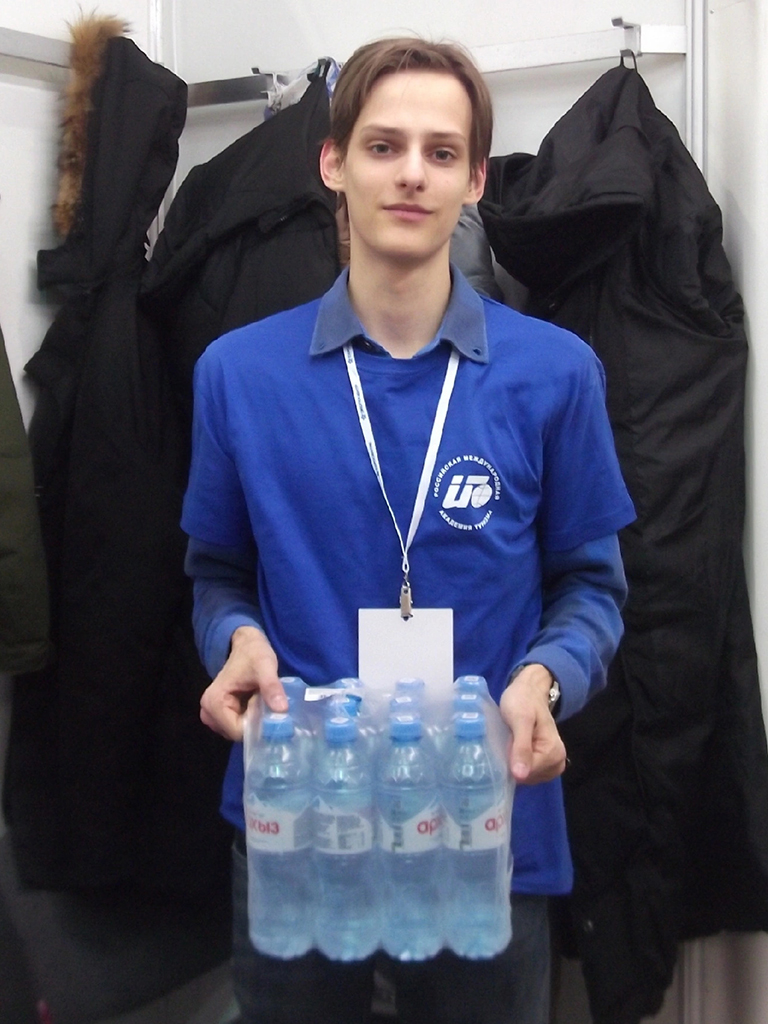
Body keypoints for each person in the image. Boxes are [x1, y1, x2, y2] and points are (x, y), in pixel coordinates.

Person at [181, 36, 635, 1024]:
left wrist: (546, 679)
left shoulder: (555, 372)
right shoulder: (238, 374)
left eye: (442, 151)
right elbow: (215, 572)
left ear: (475, 180)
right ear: (332, 163)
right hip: (302, 819)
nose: (412, 174)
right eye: (384, 145)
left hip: (484, 819)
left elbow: (592, 587)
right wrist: (235, 640)